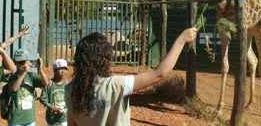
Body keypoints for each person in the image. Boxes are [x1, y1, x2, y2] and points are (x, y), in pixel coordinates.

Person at [66, 27, 197, 126]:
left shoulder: (70, 90)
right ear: (104, 60)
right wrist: (182, 40)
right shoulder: (116, 85)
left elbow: (72, 124)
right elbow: (160, 73)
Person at [3, 49, 50, 126]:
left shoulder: (31, 76)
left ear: (27, 61)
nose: (22, 65)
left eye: (24, 62)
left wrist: (40, 70)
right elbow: (14, 89)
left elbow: (46, 83)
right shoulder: (12, 76)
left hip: (29, 119)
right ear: (15, 63)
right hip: (16, 120)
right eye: (20, 62)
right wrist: (24, 72)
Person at [40, 59, 69, 126]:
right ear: (55, 71)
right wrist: (52, 107)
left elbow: (70, 99)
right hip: (52, 119)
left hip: (63, 119)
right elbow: (42, 99)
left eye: (65, 69)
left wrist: (66, 108)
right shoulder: (49, 84)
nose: (63, 71)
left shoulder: (67, 84)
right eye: (61, 69)